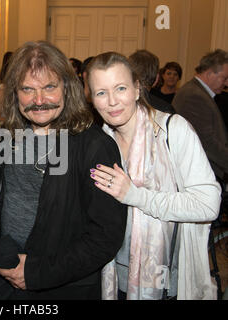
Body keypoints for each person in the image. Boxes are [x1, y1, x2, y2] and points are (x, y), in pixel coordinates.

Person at [0, 41, 127, 300]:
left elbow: (105, 237)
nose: (39, 100)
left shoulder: (94, 146)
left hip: (62, 286)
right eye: (27, 89)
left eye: (49, 87)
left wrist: (36, 273)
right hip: (5, 281)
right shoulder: (5, 138)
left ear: (67, 86)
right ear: (14, 94)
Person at [86, 51, 221, 300]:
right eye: (101, 93)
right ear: (92, 99)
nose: (112, 101)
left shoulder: (172, 130)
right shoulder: (97, 143)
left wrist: (136, 195)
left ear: (137, 89)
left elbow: (208, 204)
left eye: (121, 88)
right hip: (111, 276)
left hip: (163, 280)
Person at [172, 49, 228, 183]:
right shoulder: (194, 96)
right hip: (201, 175)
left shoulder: (197, 92)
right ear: (209, 73)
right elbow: (207, 142)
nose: (226, 83)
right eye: (224, 78)